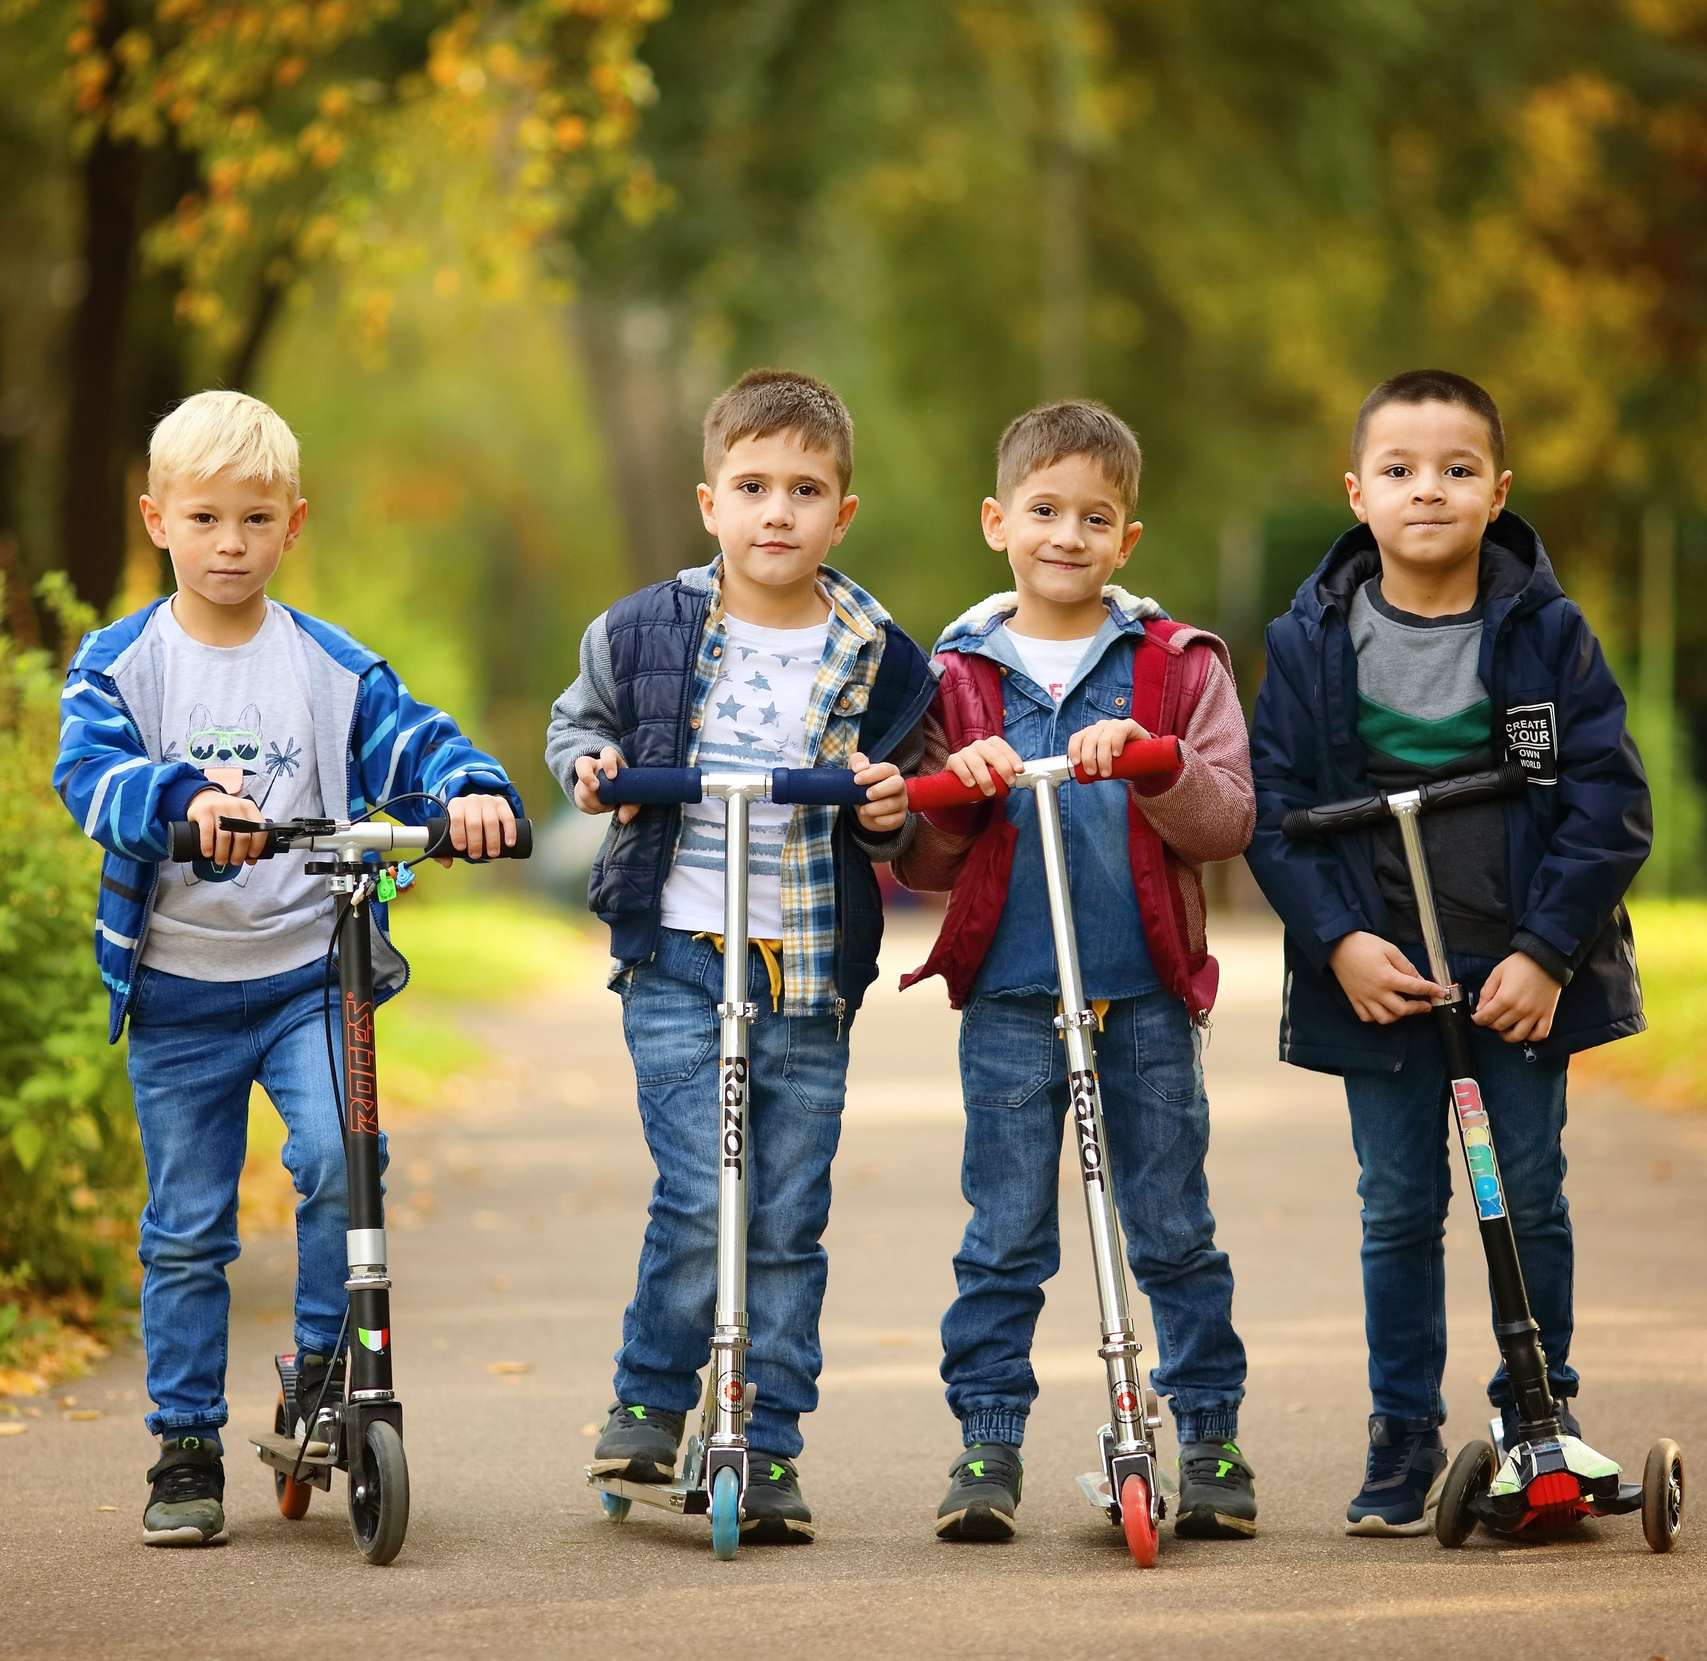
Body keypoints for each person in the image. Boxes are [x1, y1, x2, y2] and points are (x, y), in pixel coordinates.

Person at [53, 391, 522, 1547]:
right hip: (178, 992)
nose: (229, 544)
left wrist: (468, 792)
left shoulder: (326, 665)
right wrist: (185, 798)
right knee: (188, 1225)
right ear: (155, 518)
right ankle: (185, 1442)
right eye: (205, 518)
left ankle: (325, 1365)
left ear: (293, 524)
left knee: (336, 1159)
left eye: (255, 520)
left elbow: (416, 740)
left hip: (309, 972)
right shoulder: (123, 663)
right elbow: (92, 776)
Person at [1245, 369, 1650, 1535]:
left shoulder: (1546, 632)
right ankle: (1401, 1429)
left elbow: (1609, 803)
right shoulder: (1313, 640)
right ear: (1357, 493)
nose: (1430, 489)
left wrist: (1546, 952)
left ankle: (1540, 1412)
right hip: (1382, 979)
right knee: (1396, 1203)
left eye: (1458, 468)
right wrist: (1341, 944)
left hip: (1516, 973)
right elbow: (1274, 814)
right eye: (1401, 469)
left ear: (1498, 490)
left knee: (1527, 1189)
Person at [546, 368, 934, 1544]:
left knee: (785, 1211)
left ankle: (766, 1438)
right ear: (709, 500)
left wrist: (882, 809)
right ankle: (652, 1398)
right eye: (754, 487)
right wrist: (590, 770)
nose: (779, 512)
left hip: (806, 967)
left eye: (805, 490)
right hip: (678, 950)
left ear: (841, 514)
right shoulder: (643, 629)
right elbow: (580, 726)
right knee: (700, 1187)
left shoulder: (879, 652)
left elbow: (903, 802)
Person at [892, 400, 1258, 1542]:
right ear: (997, 521)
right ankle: (987, 1438)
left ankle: (1209, 1433)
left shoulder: (1175, 663)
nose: (1067, 534)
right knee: (1002, 1229)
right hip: (1010, 994)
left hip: (1140, 992)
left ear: (1126, 539)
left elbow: (1227, 818)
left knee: (1172, 1222)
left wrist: (1153, 765)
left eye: (1095, 516)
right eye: (1044, 511)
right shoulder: (948, 677)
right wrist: (963, 779)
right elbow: (921, 852)